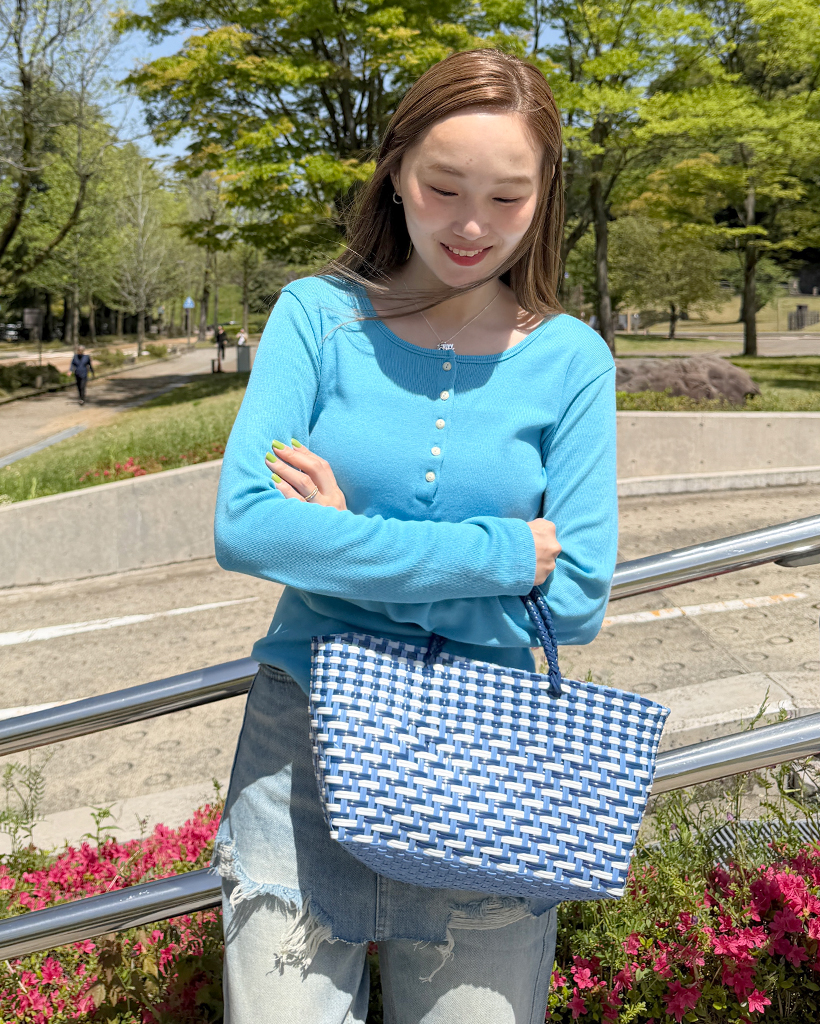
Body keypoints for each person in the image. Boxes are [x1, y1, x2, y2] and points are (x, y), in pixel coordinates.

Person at [213, 49, 617, 1024]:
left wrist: (341, 544)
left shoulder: (572, 360)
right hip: (300, 751)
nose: (472, 225)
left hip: (490, 755)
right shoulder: (317, 316)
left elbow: (574, 601)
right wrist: (499, 555)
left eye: (507, 197)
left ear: (544, 197)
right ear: (395, 171)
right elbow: (247, 525)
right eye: (443, 187)